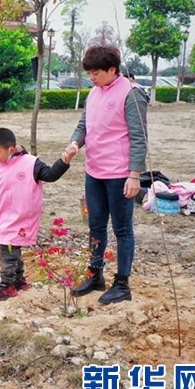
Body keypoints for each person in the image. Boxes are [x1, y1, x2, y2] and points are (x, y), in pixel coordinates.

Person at [62, 45, 148, 305]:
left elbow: (139, 138)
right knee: (95, 226)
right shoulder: (93, 93)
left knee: (122, 229)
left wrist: (134, 174)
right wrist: (75, 144)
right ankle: (95, 274)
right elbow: (83, 125)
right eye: (88, 72)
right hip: (94, 172)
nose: (92, 77)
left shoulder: (132, 95)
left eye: (96, 72)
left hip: (120, 174)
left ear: (113, 70)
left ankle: (122, 284)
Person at [0, 127, 69, 301]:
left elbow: (50, 175)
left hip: (21, 216)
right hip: (2, 216)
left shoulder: (30, 164)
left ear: (11, 150)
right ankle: (19, 279)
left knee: (8, 251)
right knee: (10, 249)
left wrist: (65, 161)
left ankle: (7, 285)